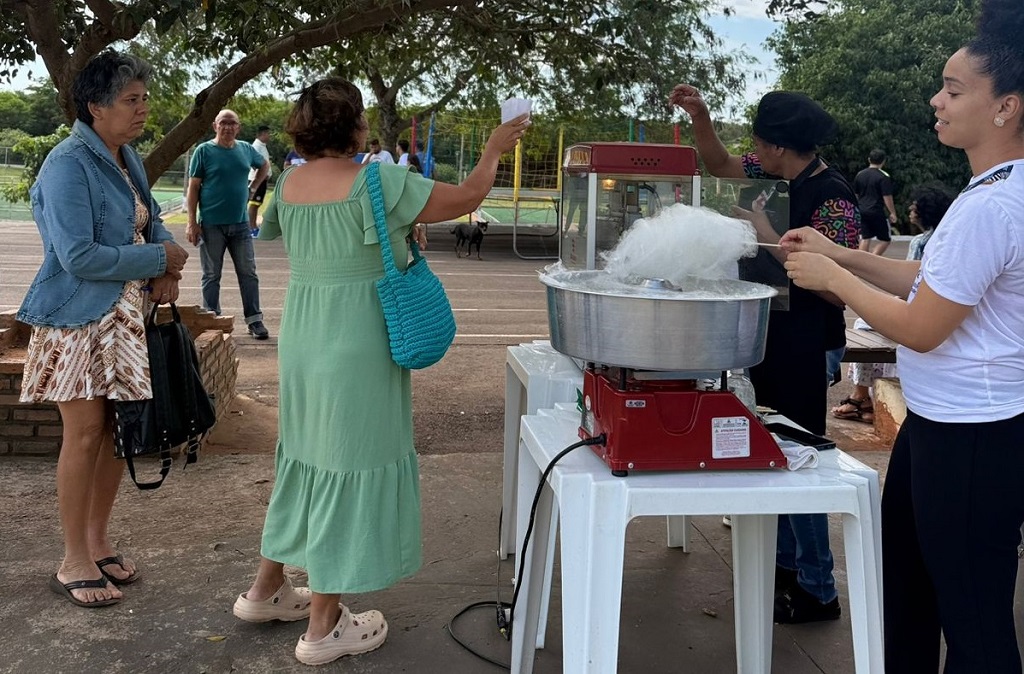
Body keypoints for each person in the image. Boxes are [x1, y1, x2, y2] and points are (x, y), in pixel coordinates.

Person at [230, 77, 530, 666]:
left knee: (306, 457)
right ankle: (322, 627)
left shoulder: (289, 181)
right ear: (357, 126)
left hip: (305, 336)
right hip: (359, 340)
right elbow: (468, 197)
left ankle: (265, 590)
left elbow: (271, 230)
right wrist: (494, 147)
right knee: (350, 461)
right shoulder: (379, 180)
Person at [781, 0, 1024, 666]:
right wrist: (841, 256)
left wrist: (830, 280)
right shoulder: (994, 192)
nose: (935, 99)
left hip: (974, 437)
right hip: (941, 428)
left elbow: (922, 326)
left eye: (953, 89)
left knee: (974, 621)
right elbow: (929, 281)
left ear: (1006, 107)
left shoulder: (994, 204)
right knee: (909, 593)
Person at [671, 85, 860, 624]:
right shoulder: (774, 173)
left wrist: (770, 237)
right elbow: (723, 165)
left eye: (758, 138)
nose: (751, 148)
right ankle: (782, 568)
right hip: (772, 335)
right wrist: (701, 116)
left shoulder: (833, 197)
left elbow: (838, 285)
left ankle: (819, 587)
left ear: (779, 146)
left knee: (803, 462)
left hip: (807, 341)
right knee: (773, 452)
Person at [17, 50, 189, 607]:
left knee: (119, 434)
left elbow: (151, 219)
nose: (142, 110)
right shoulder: (68, 164)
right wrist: (157, 260)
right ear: (95, 106)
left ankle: (95, 541)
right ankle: (72, 560)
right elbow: (78, 257)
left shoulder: (123, 156)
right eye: (130, 100)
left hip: (125, 320)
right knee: (85, 435)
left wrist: (164, 267)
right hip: (78, 320)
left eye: (143, 98)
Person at [832, 185, 955, 423]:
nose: (910, 210)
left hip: (920, 313)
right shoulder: (940, 238)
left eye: (913, 207)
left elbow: (918, 284)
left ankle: (860, 394)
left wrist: (836, 277)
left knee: (865, 323)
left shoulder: (924, 242)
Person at [186, 109, 271, 339]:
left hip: (240, 225)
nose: (227, 127)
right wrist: (191, 222)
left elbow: (264, 166)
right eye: (223, 123)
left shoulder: (245, 149)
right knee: (211, 275)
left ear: (238, 127)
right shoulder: (204, 151)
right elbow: (193, 188)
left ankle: (254, 321)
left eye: (232, 123)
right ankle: (212, 320)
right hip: (212, 225)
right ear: (215, 126)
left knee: (248, 273)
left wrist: (253, 188)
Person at [853, 149, 899, 255]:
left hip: (861, 210)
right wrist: (892, 212)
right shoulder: (884, 176)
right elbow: (887, 196)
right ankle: (873, 258)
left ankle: (860, 262)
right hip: (876, 210)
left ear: (869, 159)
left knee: (865, 237)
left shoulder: (860, 175)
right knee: (885, 239)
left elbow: (856, 194)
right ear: (883, 161)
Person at [247, 124, 272, 238]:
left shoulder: (263, 146)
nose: (269, 136)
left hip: (262, 180)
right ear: (262, 134)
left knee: (257, 204)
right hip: (256, 180)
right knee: (253, 204)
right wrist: (260, 177)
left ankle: (253, 226)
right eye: (268, 134)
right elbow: (254, 165)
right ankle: (251, 228)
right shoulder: (256, 146)